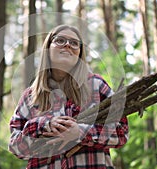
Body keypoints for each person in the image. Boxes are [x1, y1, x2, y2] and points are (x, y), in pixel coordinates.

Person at [9, 24, 129, 169]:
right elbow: (15, 146)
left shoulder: (96, 86)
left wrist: (81, 132)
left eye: (74, 43)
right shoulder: (30, 96)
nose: (67, 45)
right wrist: (43, 125)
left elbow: (121, 132)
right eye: (60, 40)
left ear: (79, 53)